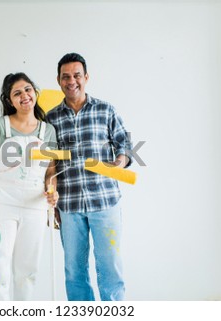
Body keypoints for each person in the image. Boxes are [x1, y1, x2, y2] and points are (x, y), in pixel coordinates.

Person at [0, 72, 58, 301]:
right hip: (0, 205)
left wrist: (52, 191)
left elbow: (50, 171)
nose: (24, 95)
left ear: (34, 92)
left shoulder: (48, 131)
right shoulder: (0, 126)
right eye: (17, 93)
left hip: (35, 208)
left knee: (27, 273)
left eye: (27, 89)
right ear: (9, 100)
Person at [46, 53, 133, 301]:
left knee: (110, 270)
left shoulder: (106, 110)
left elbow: (124, 145)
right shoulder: (51, 119)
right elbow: (50, 164)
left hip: (105, 202)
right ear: (58, 80)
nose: (71, 81)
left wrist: (119, 162)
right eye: (65, 77)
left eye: (76, 75)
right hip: (69, 206)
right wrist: (51, 200)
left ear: (86, 77)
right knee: (74, 272)